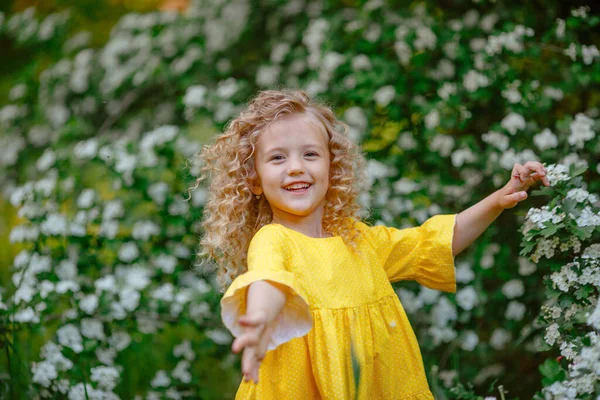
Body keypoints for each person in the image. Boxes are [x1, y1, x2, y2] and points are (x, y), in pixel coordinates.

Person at [195, 89, 549, 399]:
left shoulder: (357, 239)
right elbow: (268, 282)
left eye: (310, 155)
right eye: (277, 158)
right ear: (254, 181)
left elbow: (434, 242)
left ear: (332, 169)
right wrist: (258, 321)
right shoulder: (274, 239)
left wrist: (499, 198)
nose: (296, 168)